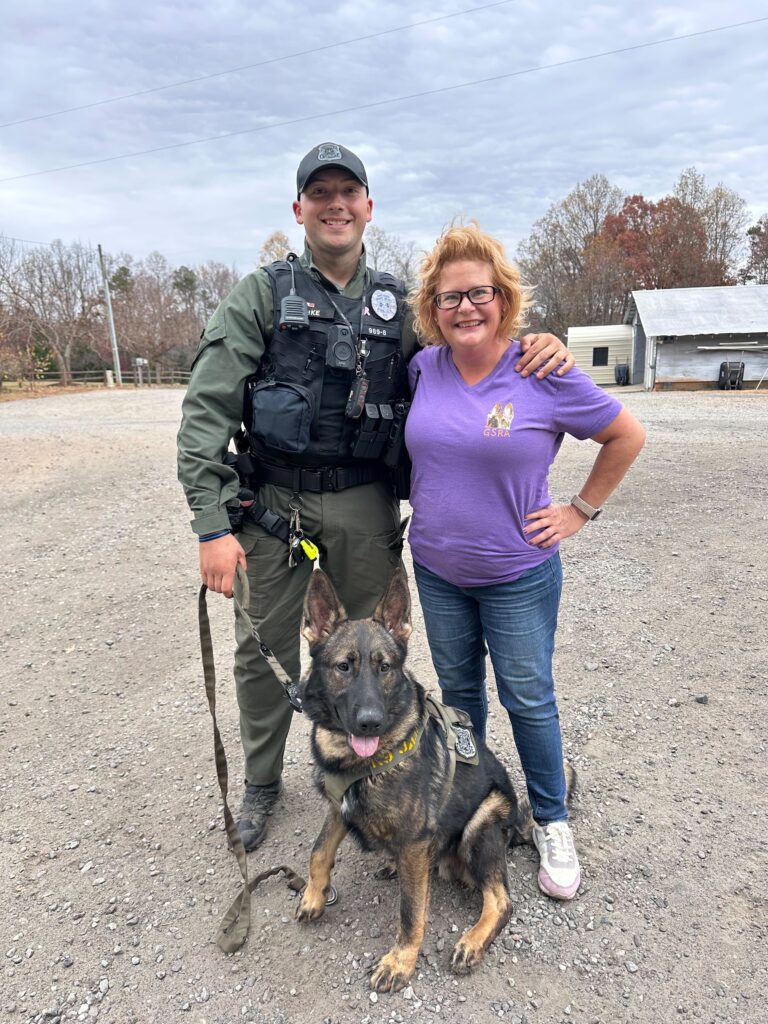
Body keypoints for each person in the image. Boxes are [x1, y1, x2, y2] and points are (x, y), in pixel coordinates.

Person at [177, 144, 574, 852]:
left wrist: (531, 346)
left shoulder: (400, 306)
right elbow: (206, 410)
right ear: (299, 210)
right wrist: (212, 525)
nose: (335, 204)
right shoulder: (261, 295)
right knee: (263, 649)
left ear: (368, 206)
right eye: (319, 193)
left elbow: (470, 342)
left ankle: (383, 785)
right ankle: (264, 783)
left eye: (348, 192)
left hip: (365, 503)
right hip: (275, 506)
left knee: (369, 656)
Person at [405, 222, 646, 900]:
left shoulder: (543, 370)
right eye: (449, 298)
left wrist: (580, 509)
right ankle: (468, 807)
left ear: (502, 298)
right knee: (459, 702)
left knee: (528, 698)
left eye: (478, 293)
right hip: (438, 571)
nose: (465, 308)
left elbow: (626, 435)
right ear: (433, 309)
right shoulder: (423, 368)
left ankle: (551, 818)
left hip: (517, 574)